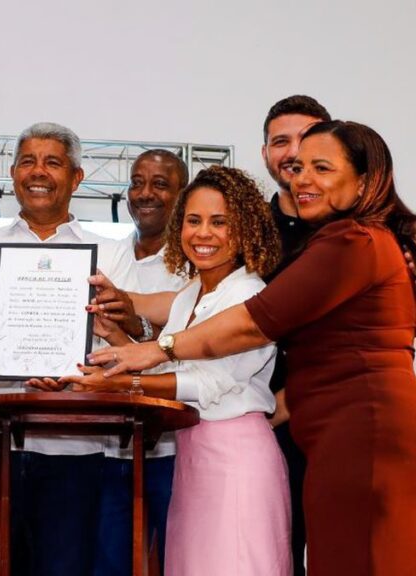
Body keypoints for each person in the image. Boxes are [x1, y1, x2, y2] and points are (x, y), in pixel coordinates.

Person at [91, 120, 416, 576]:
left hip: (361, 431)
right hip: (328, 433)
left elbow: (252, 324)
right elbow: (182, 315)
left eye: (321, 168)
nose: (302, 178)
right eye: (299, 167)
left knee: (360, 557)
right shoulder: (347, 242)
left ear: (365, 180)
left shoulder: (354, 241)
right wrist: (120, 337)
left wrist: (155, 351)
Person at [53, 166, 289, 574]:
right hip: (192, 456)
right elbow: (169, 366)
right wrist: (112, 339)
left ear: (246, 229)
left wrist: (121, 382)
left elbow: (207, 382)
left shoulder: (250, 294)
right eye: (193, 221)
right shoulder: (192, 294)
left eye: (219, 223)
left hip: (237, 462)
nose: (203, 234)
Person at [0, 122, 138, 576]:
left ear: (77, 177)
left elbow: (128, 349)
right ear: (12, 174)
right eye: (28, 161)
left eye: (53, 162)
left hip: (73, 444)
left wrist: (89, 368)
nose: (38, 171)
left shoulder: (111, 254)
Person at [95, 149, 188, 576]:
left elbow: (188, 342)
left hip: (173, 447)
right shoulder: (105, 255)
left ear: (182, 194)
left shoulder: (196, 263)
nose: (144, 193)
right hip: (107, 445)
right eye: (136, 182)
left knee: (173, 562)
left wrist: (136, 327)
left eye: (160, 184)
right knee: (111, 562)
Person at [260, 95, 331, 576]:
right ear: (264, 152)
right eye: (280, 141)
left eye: (305, 140)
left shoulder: (357, 234)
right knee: (271, 555)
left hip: (332, 423)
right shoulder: (244, 231)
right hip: (257, 430)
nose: (292, 153)